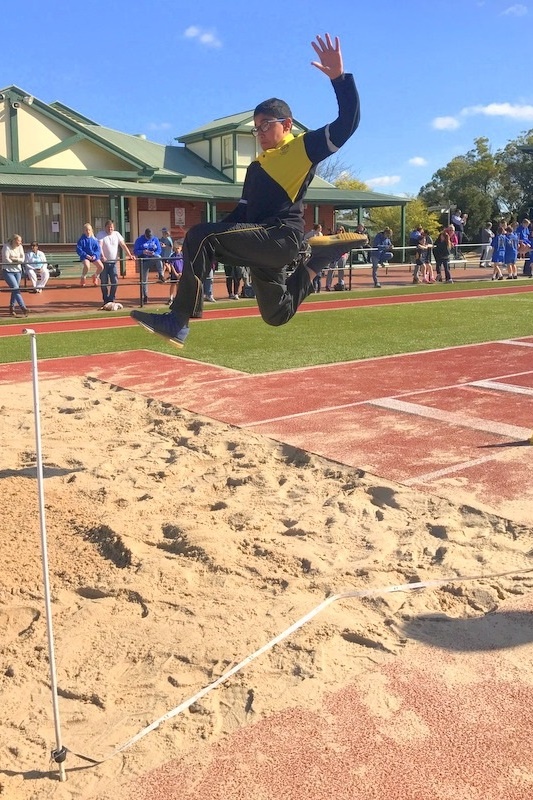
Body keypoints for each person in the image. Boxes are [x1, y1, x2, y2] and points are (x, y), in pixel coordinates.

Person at [131, 33, 364, 348]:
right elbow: (242, 214)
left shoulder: (300, 149)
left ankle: (178, 320)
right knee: (276, 313)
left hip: (281, 236)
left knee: (201, 235)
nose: (260, 133)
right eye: (256, 128)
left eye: (267, 125)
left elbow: (347, 123)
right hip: (262, 241)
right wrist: (204, 246)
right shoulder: (256, 167)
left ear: (288, 124)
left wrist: (339, 79)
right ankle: (320, 259)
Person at [96, 219, 133, 306]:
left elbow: (123, 245)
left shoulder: (117, 234)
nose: (110, 229)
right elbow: (100, 246)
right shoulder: (101, 234)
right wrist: (102, 256)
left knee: (115, 281)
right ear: (105, 227)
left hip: (113, 263)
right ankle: (105, 299)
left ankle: (111, 298)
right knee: (104, 282)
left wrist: (130, 255)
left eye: (111, 227)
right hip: (104, 263)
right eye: (108, 227)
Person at [133, 228, 164, 303]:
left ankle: (161, 274)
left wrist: (154, 253)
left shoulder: (155, 239)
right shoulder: (139, 240)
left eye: (150, 237)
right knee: (144, 280)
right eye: (148, 237)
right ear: (145, 235)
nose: (149, 238)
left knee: (158, 257)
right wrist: (143, 251)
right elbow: (135, 251)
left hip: (152, 258)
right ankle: (145, 296)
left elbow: (159, 250)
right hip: (143, 261)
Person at [2, 233, 29, 316]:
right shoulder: (6, 247)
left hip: (18, 271)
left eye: (20, 241)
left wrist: (14, 259)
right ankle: (23, 307)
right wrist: (16, 261)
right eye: (18, 241)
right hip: (8, 271)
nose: (20, 243)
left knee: (14, 290)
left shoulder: (20, 247)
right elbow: (6, 259)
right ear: (14, 240)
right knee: (16, 288)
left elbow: (23, 259)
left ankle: (12, 307)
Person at [325, 225, 348, 291]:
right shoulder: (334, 237)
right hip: (334, 256)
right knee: (331, 270)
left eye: (340, 230)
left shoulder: (345, 238)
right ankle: (328, 285)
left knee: (341, 270)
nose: (339, 231)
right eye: (338, 229)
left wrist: (346, 254)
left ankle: (341, 284)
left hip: (342, 256)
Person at [167, 241, 184, 305]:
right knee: (173, 284)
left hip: (181, 273)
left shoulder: (183, 255)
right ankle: (171, 298)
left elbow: (185, 264)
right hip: (174, 273)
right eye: (176, 248)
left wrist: (181, 273)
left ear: (181, 248)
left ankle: (178, 298)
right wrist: (176, 273)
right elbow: (171, 265)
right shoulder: (173, 255)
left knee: (179, 285)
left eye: (178, 248)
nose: (177, 250)